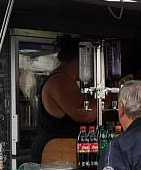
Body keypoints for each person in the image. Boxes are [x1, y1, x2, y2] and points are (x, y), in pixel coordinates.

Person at [31, 34, 97, 162]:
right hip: (55, 153)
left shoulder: (65, 79)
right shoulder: (60, 80)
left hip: (61, 152)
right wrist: (108, 99)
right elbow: (84, 114)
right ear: (82, 59)